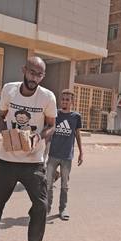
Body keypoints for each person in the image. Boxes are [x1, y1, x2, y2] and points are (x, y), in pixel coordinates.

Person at [0, 56, 57, 241]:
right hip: (6, 159)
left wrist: (39, 138)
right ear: (24, 70)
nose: (34, 77)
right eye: (32, 72)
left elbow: (51, 126)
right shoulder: (9, 90)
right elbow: (1, 116)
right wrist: (6, 134)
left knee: (41, 206)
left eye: (39, 74)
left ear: (43, 76)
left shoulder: (47, 97)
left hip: (33, 163)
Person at [46, 89, 83, 221]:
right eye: (63, 99)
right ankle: (47, 208)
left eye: (67, 99)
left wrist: (81, 153)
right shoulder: (55, 114)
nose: (64, 101)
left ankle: (63, 209)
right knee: (48, 184)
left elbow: (77, 135)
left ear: (72, 102)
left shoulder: (76, 117)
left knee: (64, 185)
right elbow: (49, 130)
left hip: (67, 156)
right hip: (53, 154)